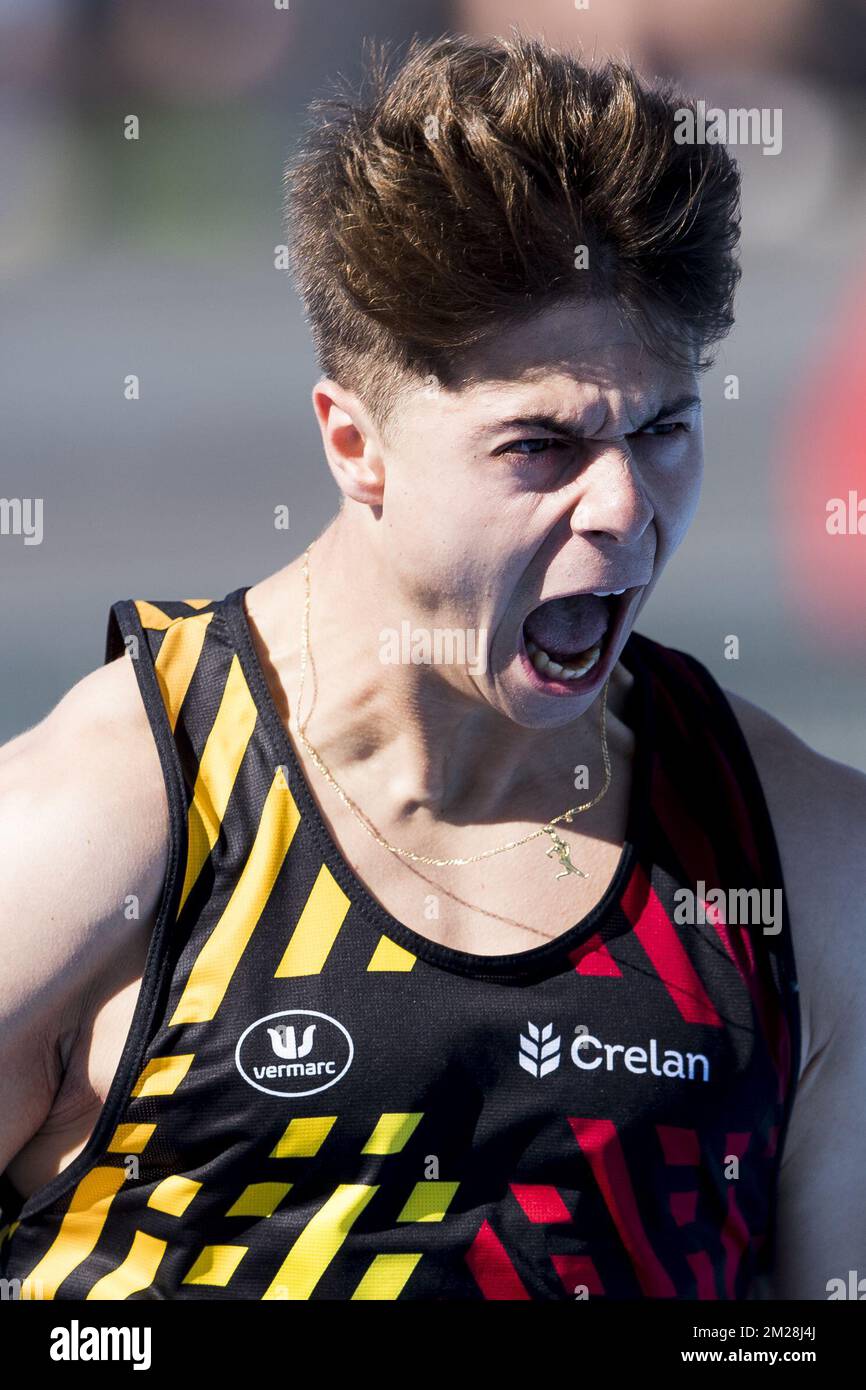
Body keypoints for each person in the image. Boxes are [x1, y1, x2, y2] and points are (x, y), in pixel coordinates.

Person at [1, 33, 863, 1302]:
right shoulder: (103, 825)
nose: (623, 506)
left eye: (663, 427)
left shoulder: (796, 860)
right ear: (356, 445)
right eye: (539, 446)